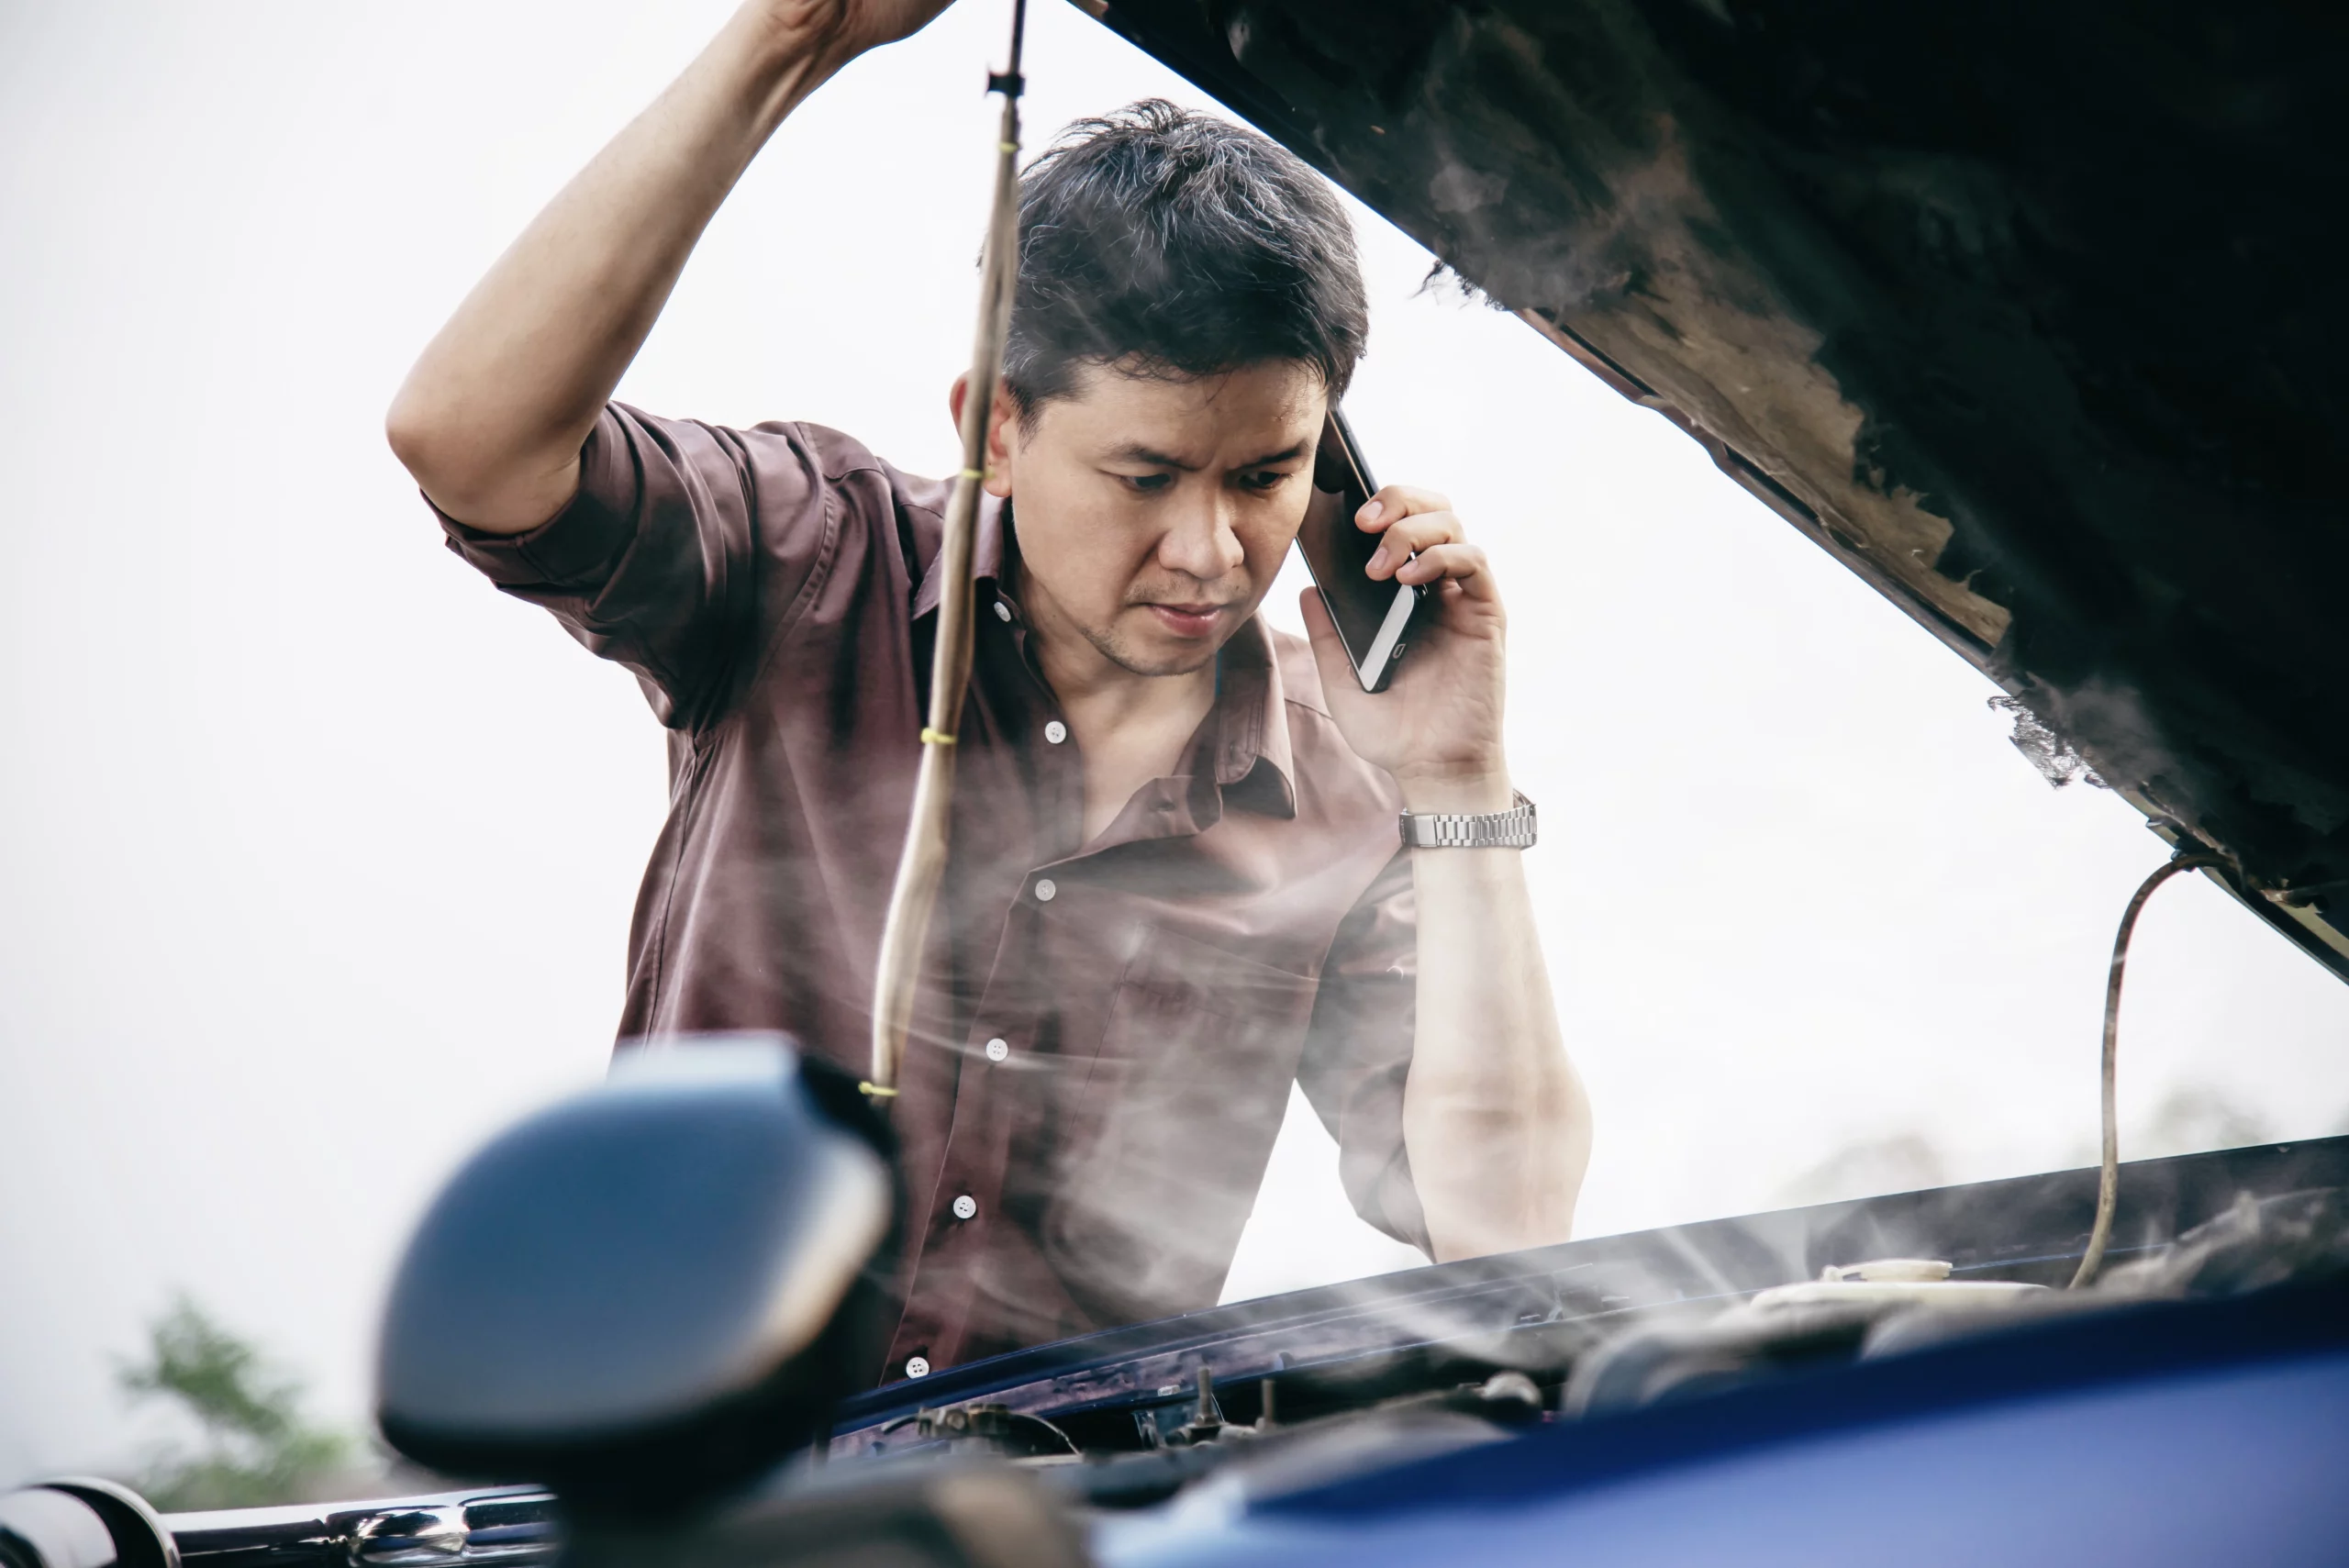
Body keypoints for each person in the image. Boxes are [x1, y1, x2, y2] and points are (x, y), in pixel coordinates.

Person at [385, 0, 1590, 1383]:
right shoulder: (804, 557)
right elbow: (465, 438)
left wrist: (1456, 784)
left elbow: (1506, 1223)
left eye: (1263, 477)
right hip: (683, 1487)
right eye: (1146, 476)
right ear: (993, 428)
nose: (1209, 554)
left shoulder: (1348, 790)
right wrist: (790, 38)